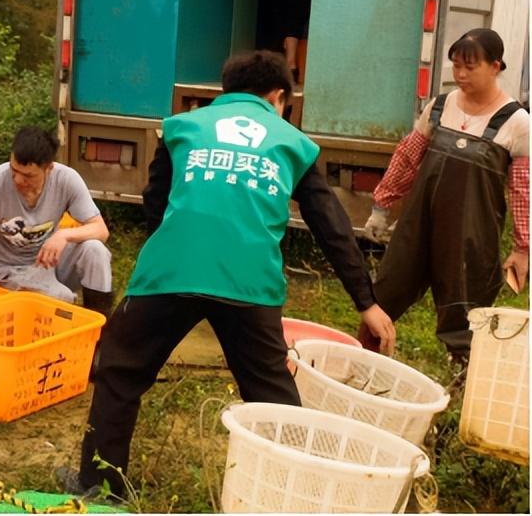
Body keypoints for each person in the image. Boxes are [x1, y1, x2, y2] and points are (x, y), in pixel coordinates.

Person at [61, 50, 396, 498]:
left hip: (171, 272)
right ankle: (297, 494)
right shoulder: (291, 142)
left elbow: (155, 199)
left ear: (226, 91)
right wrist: (366, 302)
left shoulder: (183, 128)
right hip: (249, 283)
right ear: (279, 97)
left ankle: (100, 489)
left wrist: (180, 246)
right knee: (273, 397)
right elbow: (331, 226)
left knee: (119, 371)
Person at [361, 28, 529, 363]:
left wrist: (523, 248)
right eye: (456, 66)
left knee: (465, 308)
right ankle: (361, 358)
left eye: (471, 66)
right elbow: (408, 156)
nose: (461, 75)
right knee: (387, 290)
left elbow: (525, 191)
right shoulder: (441, 105)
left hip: (470, 236)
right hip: (417, 226)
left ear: (495, 66)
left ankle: (463, 377)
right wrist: (382, 205)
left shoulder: (517, 123)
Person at [0, 127, 114, 315]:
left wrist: (64, 235)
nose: (18, 180)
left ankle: (100, 327)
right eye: (14, 170)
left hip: (49, 260)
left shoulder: (66, 179)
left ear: (49, 169)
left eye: (28, 176)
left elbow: (101, 230)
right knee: (61, 300)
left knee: (96, 250)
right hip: (12, 269)